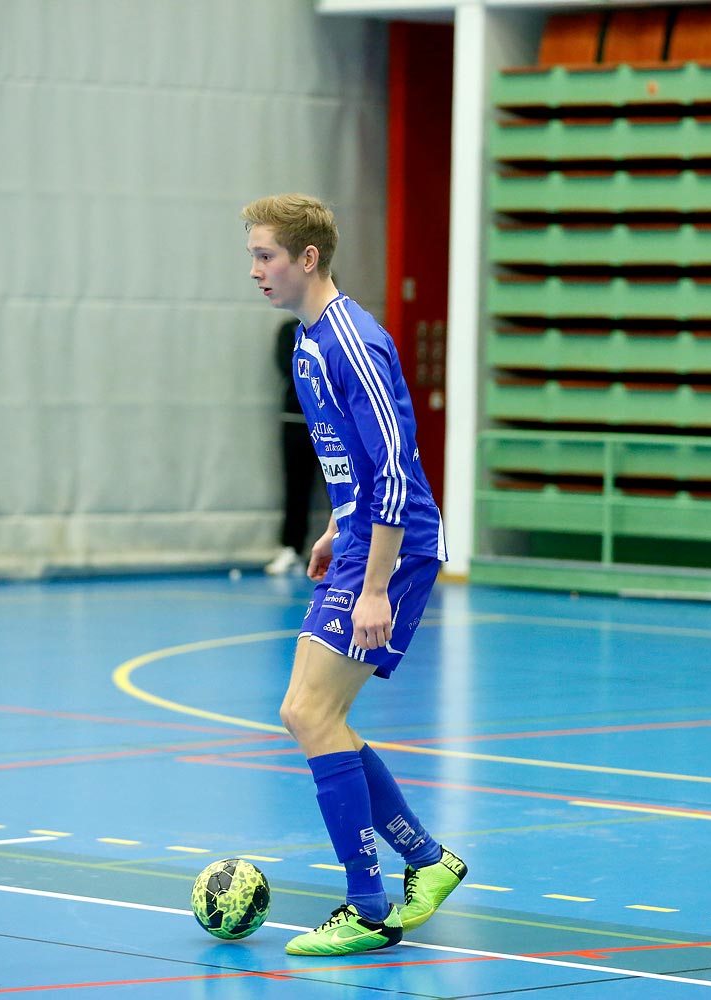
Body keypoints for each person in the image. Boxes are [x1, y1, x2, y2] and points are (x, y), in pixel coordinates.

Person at [241, 193, 467, 956]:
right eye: (252, 255)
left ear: (309, 258)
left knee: (310, 713)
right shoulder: (305, 344)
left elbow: (399, 473)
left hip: (396, 554)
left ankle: (369, 907)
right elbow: (357, 468)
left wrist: (374, 585)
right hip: (363, 540)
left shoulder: (352, 343)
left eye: (266, 255)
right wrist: (336, 527)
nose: (255, 270)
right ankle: (428, 864)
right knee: (306, 713)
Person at [265, 318, 315, 575]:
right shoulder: (289, 330)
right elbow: (289, 366)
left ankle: (353, 552)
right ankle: (292, 548)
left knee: (345, 490)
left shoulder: (341, 329)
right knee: (296, 487)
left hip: (333, 424)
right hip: (295, 421)